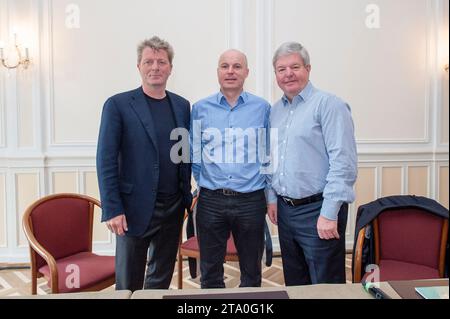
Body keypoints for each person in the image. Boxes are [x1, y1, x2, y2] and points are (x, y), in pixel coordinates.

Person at [96, 36, 192, 291]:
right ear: (138, 66)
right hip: (131, 209)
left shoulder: (182, 106)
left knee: (160, 280)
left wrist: (186, 195)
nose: (155, 67)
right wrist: (112, 208)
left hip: (172, 209)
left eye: (162, 62)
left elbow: (183, 154)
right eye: (149, 61)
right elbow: (104, 160)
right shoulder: (117, 105)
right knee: (128, 283)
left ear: (170, 68)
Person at [266, 41, 357, 285]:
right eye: (281, 69)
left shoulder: (330, 105)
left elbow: (343, 163)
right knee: (296, 283)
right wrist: (272, 199)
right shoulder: (274, 112)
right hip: (286, 212)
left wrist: (329, 214)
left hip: (318, 210)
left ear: (308, 68)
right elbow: (270, 159)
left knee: (325, 285)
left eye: (294, 66)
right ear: (275, 74)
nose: (288, 74)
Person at [190, 49, 271, 288]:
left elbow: (268, 155)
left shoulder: (262, 108)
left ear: (247, 72)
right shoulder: (200, 108)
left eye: (237, 66)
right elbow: (193, 153)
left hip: (251, 201)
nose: (230, 71)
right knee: (211, 273)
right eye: (225, 66)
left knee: (251, 272)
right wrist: (205, 181)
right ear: (217, 72)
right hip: (211, 201)